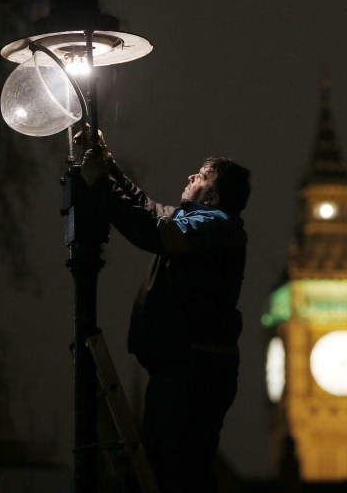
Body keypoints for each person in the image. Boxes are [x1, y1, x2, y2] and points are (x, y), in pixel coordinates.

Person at [81, 136, 250, 493]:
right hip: (184, 365)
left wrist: (99, 183)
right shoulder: (199, 222)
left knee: (177, 472)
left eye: (202, 175)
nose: (191, 176)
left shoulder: (216, 226)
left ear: (213, 197)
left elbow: (153, 231)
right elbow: (147, 208)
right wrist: (109, 166)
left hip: (192, 370)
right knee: (170, 469)